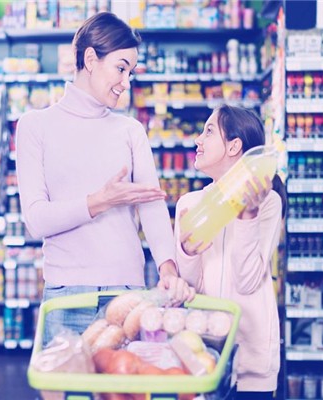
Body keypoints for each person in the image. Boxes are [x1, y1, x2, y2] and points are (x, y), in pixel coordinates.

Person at [15, 12, 194, 346]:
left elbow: (152, 206)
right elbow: (36, 220)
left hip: (126, 294)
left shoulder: (130, 131)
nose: (126, 82)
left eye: (131, 72)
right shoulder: (34, 126)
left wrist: (168, 269)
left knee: (121, 393)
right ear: (90, 59)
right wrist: (100, 201)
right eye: (121, 68)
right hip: (66, 297)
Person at [174, 105, 286, 400]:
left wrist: (247, 215)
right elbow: (190, 286)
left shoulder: (268, 202)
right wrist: (186, 251)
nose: (198, 140)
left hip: (252, 364)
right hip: (206, 354)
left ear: (235, 145)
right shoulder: (190, 205)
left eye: (209, 131)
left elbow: (247, 280)